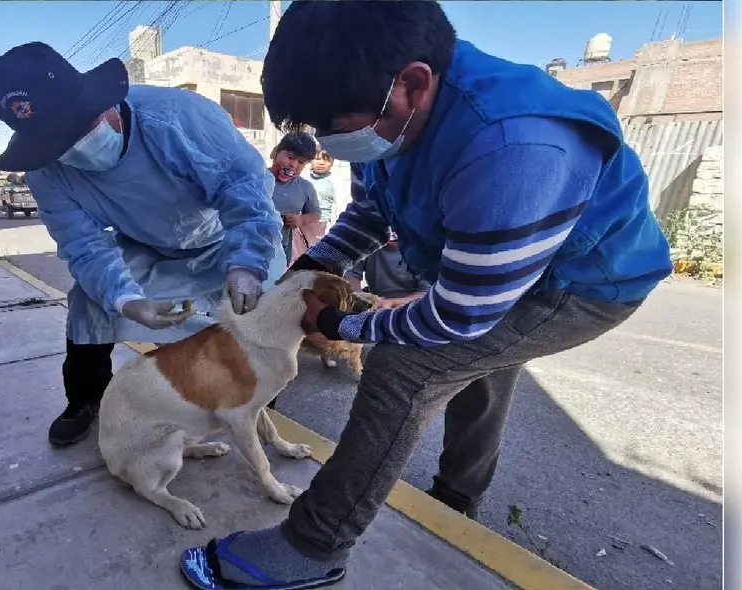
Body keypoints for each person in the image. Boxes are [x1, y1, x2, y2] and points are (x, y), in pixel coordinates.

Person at [178, 3, 673, 589]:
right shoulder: (389, 112)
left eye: (337, 126)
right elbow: (372, 206)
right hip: (495, 262)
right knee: (483, 366)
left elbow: (455, 318)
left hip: (584, 284)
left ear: (413, 82)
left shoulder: (517, 149)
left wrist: (340, 323)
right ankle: (456, 502)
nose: (331, 145)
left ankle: (313, 546)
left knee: (408, 367)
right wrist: (311, 268)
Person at [0, 43, 286, 447]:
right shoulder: (45, 172)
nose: (71, 149)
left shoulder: (179, 116)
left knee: (257, 313)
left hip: (225, 240)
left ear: (102, 103)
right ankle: (87, 400)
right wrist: (126, 300)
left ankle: (257, 402)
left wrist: (247, 262)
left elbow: (244, 190)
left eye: (78, 130)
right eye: (56, 143)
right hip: (147, 248)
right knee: (90, 302)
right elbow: (83, 245)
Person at [267, 131, 321, 264]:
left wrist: (301, 219)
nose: (293, 165)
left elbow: (315, 213)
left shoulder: (305, 188)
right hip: (248, 244)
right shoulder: (257, 178)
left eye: (301, 162)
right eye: (290, 157)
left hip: (281, 249)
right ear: (275, 152)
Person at [344, 230, 431, 309]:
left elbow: (426, 293)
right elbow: (351, 274)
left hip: (412, 307)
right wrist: (361, 299)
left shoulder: (423, 249)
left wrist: (391, 302)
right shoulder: (367, 244)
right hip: (375, 304)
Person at [304, 148, 336, 225]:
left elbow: (340, 207)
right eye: (317, 159)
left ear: (332, 163)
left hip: (325, 224)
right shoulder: (302, 179)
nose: (321, 163)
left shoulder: (335, 181)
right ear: (310, 160)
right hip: (302, 222)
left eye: (326, 160)